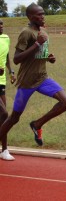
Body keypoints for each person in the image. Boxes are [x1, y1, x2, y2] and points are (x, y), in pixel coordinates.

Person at [0, 3, 66, 154]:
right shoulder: (26, 33)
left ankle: (37, 124)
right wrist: (37, 44)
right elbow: (16, 59)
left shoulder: (42, 31)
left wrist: (48, 57)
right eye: (39, 14)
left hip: (42, 78)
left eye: (43, 14)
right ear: (30, 17)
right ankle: (4, 148)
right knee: (14, 118)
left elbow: (38, 54)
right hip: (27, 82)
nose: (43, 16)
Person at [0, 19, 16, 161]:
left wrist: (11, 71)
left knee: (2, 117)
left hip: (1, 81)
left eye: (2, 24)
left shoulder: (5, 38)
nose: (1, 27)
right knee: (4, 113)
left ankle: (4, 150)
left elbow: (6, 56)